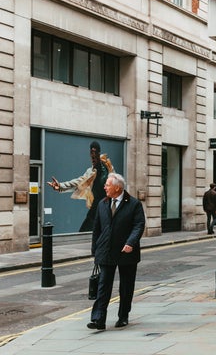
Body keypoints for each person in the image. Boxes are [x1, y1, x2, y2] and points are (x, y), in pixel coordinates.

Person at [88, 173, 145, 331]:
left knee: (126, 287)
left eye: (107, 184)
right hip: (106, 251)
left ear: (117, 187)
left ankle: (123, 316)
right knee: (103, 286)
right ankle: (98, 319)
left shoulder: (134, 204)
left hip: (126, 252)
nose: (104, 187)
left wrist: (130, 242)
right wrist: (95, 250)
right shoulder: (102, 203)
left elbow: (139, 225)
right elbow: (97, 229)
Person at [47, 141, 114, 232]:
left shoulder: (109, 169)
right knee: (84, 231)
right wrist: (60, 186)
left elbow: (117, 185)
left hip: (108, 206)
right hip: (96, 207)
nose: (93, 156)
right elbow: (77, 183)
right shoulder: (90, 172)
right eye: (91, 153)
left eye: (95, 153)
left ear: (99, 153)